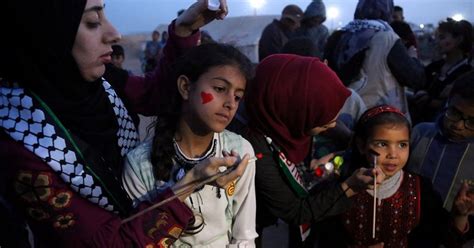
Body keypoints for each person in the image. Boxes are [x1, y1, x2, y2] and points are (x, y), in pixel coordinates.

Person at [0, 0, 249, 247]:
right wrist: (189, 184)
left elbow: (155, 93)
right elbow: (110, 243)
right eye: (92, 23)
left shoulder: (101, 82)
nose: (114, 33)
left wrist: (183, 32)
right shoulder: (22, 143)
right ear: (49, 34)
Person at [243, 54, 385, 247]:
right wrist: (349, 187)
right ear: (295, 112)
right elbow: (295, 211)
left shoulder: (281, 119)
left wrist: (352, 140)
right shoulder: (252, 148)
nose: (334, 125)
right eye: (323, 124)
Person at [122, 43, 257, 246]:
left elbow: (244, 237)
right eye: (220, 89)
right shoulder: (139, 164)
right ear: (185, 87)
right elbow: (139, 239)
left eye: (238, 96)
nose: (230, 104)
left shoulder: (240, 151)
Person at [315, 105, 473, 247]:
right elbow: (322, 236)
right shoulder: (343, 187)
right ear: (362, 145)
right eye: (382, 144)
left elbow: (444, 238)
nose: (393, 154)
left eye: (402, 145)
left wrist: (460, 215)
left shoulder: (420, 189)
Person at [324, 0, 426, 121]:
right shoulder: (386, 37)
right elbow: (414, 78)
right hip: (376, 118)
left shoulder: (339, 35)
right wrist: (413, 57)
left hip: (338, 114)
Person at [408, 71, 474, 221]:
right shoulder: (420, 133)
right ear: (447, 102)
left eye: (472, 122)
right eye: (454, 113)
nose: (458, 125)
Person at [411, 18, 473, 123]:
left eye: (442, 37)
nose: (437, 42)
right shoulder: (434, 66)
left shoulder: (467, 74)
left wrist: (431, 101)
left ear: (459, 39)